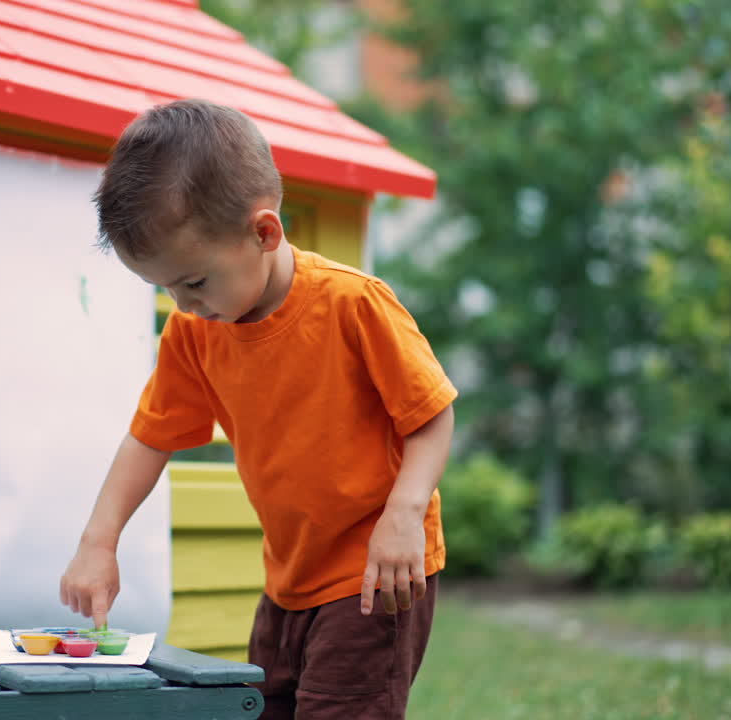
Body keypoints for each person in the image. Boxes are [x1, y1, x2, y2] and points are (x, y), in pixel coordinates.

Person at [59, 98, 456, 719]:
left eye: (193, 282)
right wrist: (97, 540)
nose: (183, 303)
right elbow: (150, 436)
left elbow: (430, 415)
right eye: (164, 288)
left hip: (375, 572)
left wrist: (404, 515)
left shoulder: (353, 304)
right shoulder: (196, 333)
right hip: (288, 581)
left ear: (264, 232)